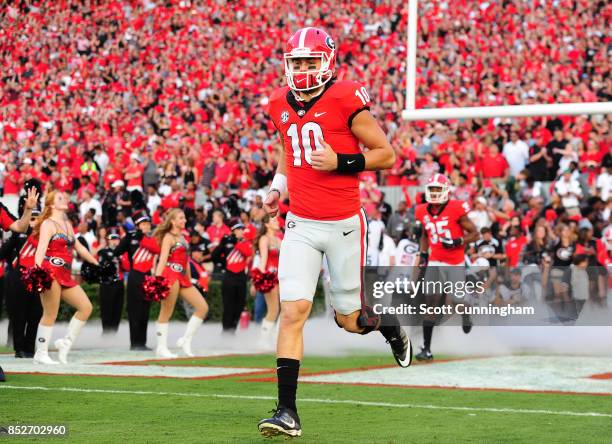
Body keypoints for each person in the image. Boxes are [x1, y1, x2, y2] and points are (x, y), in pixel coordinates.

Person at [258, 28, 409, 438]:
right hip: (300, 224)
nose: (303, 69)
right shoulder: (277, 102)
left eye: (311, 61)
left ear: (327, 62)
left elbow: (386, 154)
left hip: (343, 224)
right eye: (297, 62)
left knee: (351, 320)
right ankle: (286, 411)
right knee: (293, 312)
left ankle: (390, 326)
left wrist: (340, 162)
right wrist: (277, 188)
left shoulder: (345, 98)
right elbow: (289, 154)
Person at [414, 174, 479, 361]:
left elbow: (475, 233)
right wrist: (424, 256)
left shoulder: (456, 208)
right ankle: (426, 349)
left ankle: (466, 312)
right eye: (432, 189)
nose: (434, 193)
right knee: (431, 302)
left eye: (438, 189)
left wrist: (458, 240)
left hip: (455, 262)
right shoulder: (420, 210)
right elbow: (425, 235)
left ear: (446, 191)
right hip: (435, 260)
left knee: (458, 300)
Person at [32, 189, 99, 365]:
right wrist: (37, 271)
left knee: (86, 307)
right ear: (52, 204)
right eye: (60, 198)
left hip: (65, 275)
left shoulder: (68, 224)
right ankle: (41, 352)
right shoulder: (48, 223)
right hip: (50, 272)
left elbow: (80, 249)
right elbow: (40, 249)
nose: (66, 199)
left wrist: (96, 264)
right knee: (50, 314)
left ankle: (65, 343)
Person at [153, 208, 208, 358]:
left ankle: (186, 340)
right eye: (181, 218)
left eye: (184, 218)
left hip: (183, 278)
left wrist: (189, 280)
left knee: (202, 307)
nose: (184, 220)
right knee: (166, 312)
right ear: (172, 221)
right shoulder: (168, 237)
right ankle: (161, 347)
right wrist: (157, 280)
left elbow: (187, 261)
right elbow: (163, 259)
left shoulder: (184, 237)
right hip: (170, 276)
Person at [112, 209, 159, 350]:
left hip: (148, 276)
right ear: (138, 225)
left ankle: (142, 342)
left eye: (148, 223)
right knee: (134, 310)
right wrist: (125, 239)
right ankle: (134, 343)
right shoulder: (130, 237)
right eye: (143, 223)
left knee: (145, 310)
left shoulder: (153, 238)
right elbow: (117, 252)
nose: (147, 225)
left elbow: (157, 250)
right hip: (135, 275)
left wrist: (142, 238)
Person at [0, 200, 42, 358]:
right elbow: (4, 252)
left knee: (35, 313)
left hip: (38, 276)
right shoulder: (18, 234)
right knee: (19, 314)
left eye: (37, 218)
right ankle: (19, 349)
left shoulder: (46, 235)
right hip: (20, 276)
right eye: (32, 218)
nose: (34, 221)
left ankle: (30, 349)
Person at [213, 220, 253, 332]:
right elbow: (214, 256)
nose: (242, 231)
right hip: (229, 276)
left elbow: (248, 253)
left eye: (242, 229)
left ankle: (233, 331)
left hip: (241, 277)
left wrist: (236, 242)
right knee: (228, 306)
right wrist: (222, 245)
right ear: (233, 231)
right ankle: (225, 331)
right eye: (239, 229)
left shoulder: (246, 242)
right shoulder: (226, 242)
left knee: (239, 305)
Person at [254, 215, 282, 348]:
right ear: (266, 225)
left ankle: (277, 338)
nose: (277, 222)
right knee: (273, 309)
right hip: (269, 276)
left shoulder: (278, 239)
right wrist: (259, 278)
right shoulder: (264, 239)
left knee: (285, 308)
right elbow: (263, 259)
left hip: (280, 276)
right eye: (274, 221)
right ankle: (263, 340)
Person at [97, 228, 124, 334]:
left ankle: (114, 333)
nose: (114, 241)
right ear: (107, 240)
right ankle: (106, 333)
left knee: (118, 310)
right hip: (107, 283)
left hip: (119, 283)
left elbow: (126, 267)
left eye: (116, 238)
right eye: (112, 239)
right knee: (107, 310)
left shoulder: (123, 252)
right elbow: (101, 268)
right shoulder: (103, 252)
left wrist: (120, 257)